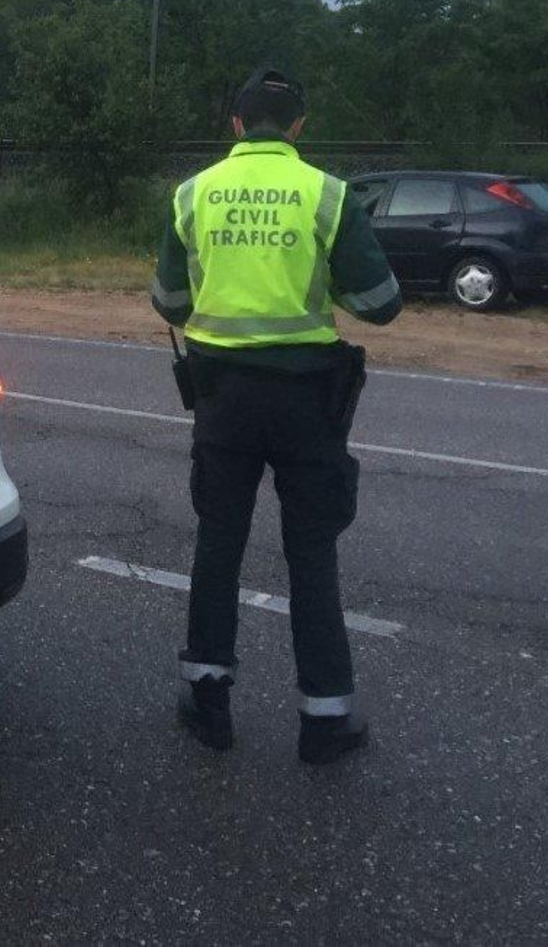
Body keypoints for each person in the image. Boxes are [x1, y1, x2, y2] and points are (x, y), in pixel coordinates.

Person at [150, 67, 401, 765]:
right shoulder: (327, 193)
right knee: (312, 552)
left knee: (218, 541)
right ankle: (326, 716)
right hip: (307, 400)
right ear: (297, 126)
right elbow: (381, 301)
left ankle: (207, 699)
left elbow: (169, 300)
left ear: (235, 124)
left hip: (222, 397)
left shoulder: (193, 192)